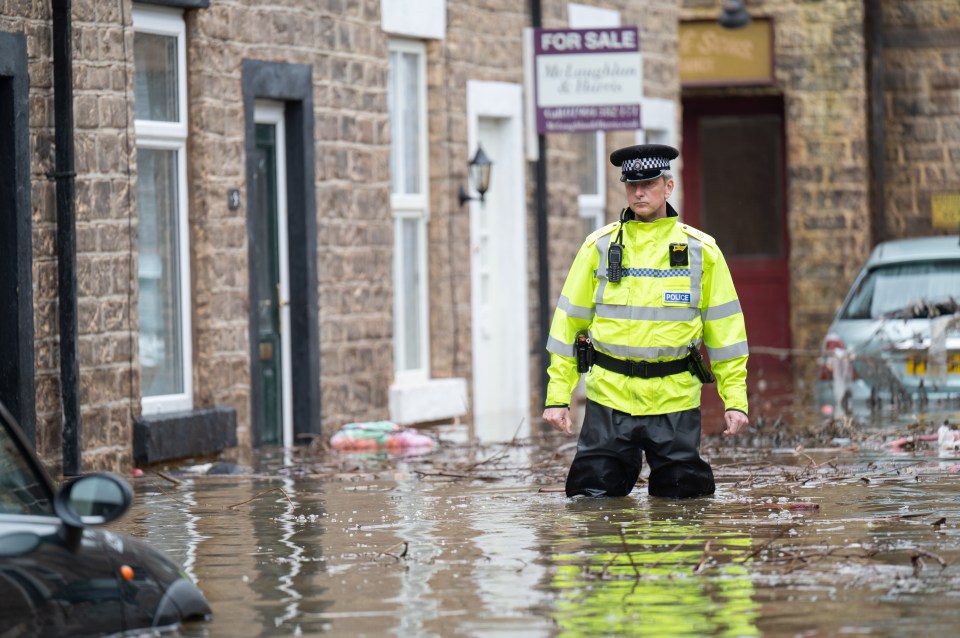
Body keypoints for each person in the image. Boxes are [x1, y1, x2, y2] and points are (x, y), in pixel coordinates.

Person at [542, 143, 749, 499]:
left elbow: (726, 335)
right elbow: (568, 327)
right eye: (631, 185)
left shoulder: (702, 252)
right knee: (590, 501)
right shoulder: (600, 248)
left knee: (686, 505)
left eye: (649, 183)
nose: (639, 192)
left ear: (668, 187)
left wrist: (736, 401)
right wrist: (558, 396)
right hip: (609, 399)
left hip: (675, 402)